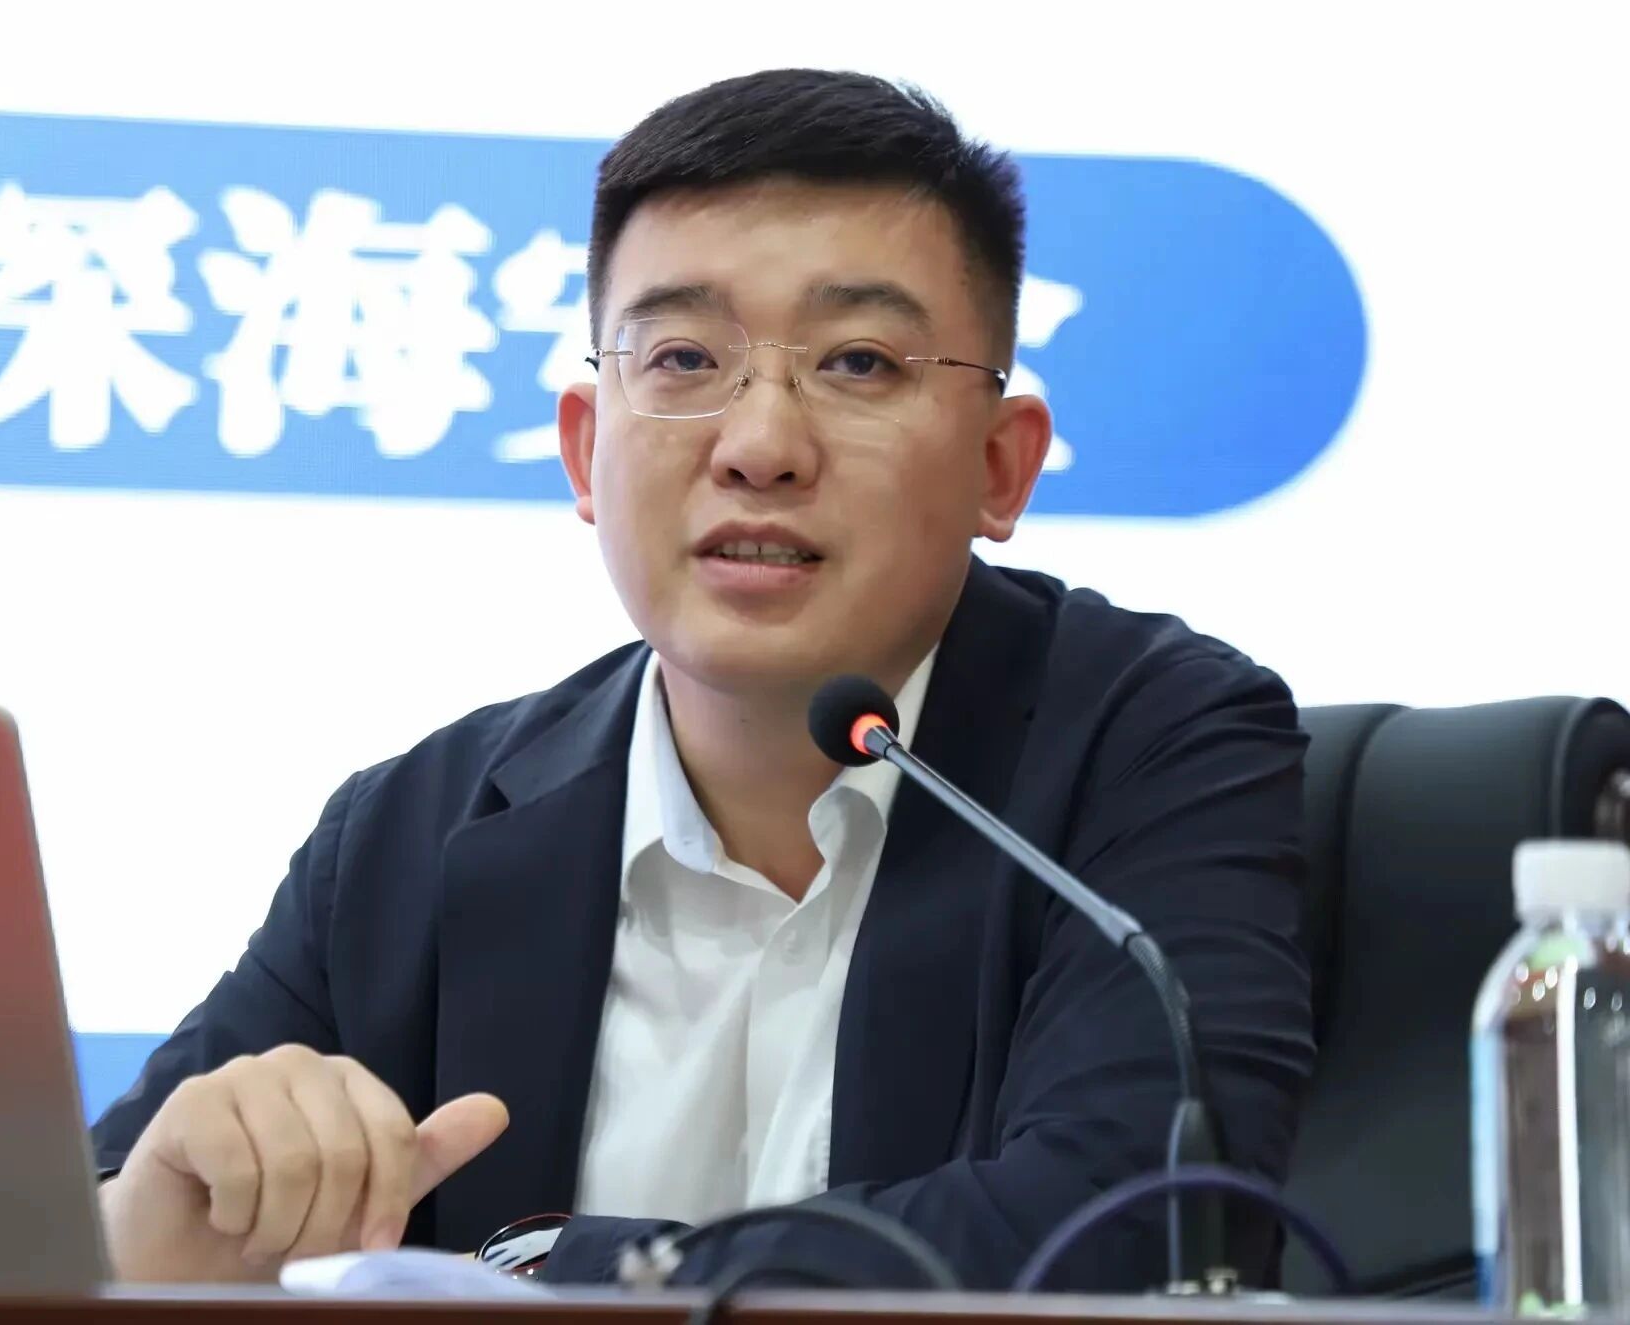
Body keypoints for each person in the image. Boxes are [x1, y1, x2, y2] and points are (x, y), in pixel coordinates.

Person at [89, 67, 1314, 1292]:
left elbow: (1132, 1224)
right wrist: (151, 1220)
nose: (760, 447)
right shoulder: (411, 830)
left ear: (1001, 467)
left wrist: (547, 1270)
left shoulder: (1151, 746)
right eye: (682, 357)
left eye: (858, 363)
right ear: (584, 450)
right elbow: (88, 1226)